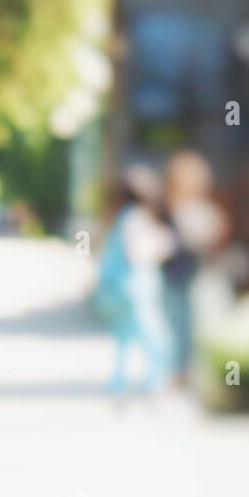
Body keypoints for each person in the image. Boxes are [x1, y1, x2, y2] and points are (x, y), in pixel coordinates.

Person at [93, 164, 175, 400]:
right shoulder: (135, 218)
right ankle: (156, 386)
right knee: (158, 340)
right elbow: (137, 252)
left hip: (117, 291)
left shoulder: (117, 217)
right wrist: (164, 244)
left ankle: (118, 387)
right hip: (135, 290)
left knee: (123, 339)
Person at [161, 149, 228, 389]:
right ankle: (182, 371)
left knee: (191, 325)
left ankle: (189, 372)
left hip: (193, 278)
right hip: (177, 278)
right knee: (179, 326)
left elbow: (210, 243)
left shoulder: (196, 213)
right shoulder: (174, 212)